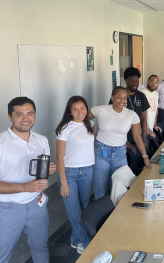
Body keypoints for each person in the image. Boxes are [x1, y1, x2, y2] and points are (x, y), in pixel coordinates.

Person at [0, 97, 56, 263]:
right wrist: (25, 186)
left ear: (35, 116)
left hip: (36, 204)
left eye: (30, 113)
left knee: (41, 247)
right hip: (8, 209)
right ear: (10, 117)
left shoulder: (41, 140)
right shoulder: (1, 144)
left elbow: (41, 175)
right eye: (19, 114)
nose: (25, 118)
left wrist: (49, 172)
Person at [89, 86, 152, 200]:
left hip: (120, 154)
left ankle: (116, 213)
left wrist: (145, 157)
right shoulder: (101, 109)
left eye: (124, 98)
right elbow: (82, 119)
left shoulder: (131, 115)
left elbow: (137, 137)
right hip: (102, 151)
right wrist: (90, 134)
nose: (122, 101)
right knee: (100, 187)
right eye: (119, 97)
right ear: (112, 97)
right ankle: (102, 214)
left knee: (120, 186)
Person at [56, 96, 94, 254]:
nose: (80, 112)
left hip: (86, 171)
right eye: (75, 109)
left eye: (83, 108)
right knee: (74, 214)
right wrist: (63, 182)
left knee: (84, 209)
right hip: (69, 174)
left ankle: (75, 240)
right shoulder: (65, 128)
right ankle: (89, 245)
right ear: (69, 112)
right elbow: (59, 158)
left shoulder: (89, 124)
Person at [140, 75, 163, 148]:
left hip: (150, 127)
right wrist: (147, 129)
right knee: (145, 149)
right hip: (142, 130)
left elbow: (155, 110)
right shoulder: (142, 93)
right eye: (152, 81)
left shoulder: (156, 94)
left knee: (150, 147)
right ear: (147, 82)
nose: (154, 84)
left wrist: (154, 125)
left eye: (156, 82)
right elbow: (140, 113)